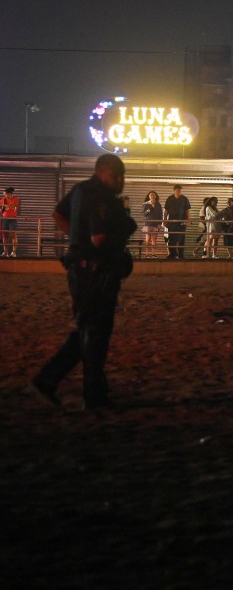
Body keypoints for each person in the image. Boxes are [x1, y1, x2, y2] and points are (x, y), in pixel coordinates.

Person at [31, 154, 137, 410]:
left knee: (90, 328)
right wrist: (122, 233)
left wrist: (77, 239)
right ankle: (80, 390)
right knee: (94, 331)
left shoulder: (79, 190)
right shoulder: (101, 196)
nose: (121, 181)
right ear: (103, 173)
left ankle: (81, 387)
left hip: (81, 268)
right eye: (117, 176)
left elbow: (58, 214)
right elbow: (100, 238)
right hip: (95, 271)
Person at [163, 184, 190, 259]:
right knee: (171, 238)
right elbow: (166, 210)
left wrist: (188, 220)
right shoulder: (169, 198)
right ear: (174, 190)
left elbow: (187, 210)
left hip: (181, 222)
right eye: (178, 190)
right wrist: (164, 220)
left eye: (180, 190)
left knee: (181, 238)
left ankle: (181, 254)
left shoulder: (184, 199)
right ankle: (172, 253)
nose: (179, 191)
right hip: (171, 222)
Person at [142, 191, 164, 258]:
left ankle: (153, 254)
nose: (152, 198)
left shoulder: (158, 204)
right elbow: (144, 214)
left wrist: (160, 223)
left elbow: (160, 214)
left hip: (155, 224)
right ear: (149, 197)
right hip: (148, 224)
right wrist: (148, 210)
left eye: (153, 197)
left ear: (155, 197)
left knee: (154, 240)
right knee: (147, 240)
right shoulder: (146, 204)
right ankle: (147, 254)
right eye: (151, 197)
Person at [2, 186, 21, 257]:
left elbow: (13, 207)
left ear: (9, 194)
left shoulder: (15, 199)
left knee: (13, 235)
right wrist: (3, 207)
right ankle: (5, 252)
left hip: (13, 219)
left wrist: (5, 206)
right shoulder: (3, 200)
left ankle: (14, 252)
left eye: (5, 194)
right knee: (5, 236)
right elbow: (1, 208)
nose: (4, 195)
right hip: (4, 219)